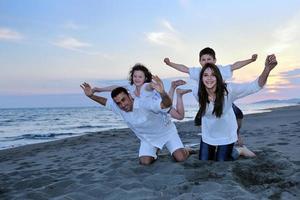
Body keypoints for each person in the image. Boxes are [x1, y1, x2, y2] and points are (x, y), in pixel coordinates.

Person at [81, 75, 190, 165]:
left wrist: (162, 93)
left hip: (167, 132)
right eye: (118, 102)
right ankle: (155, 149)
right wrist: (91, 96)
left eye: (123, 100)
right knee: (145, 162)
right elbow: (104, 101)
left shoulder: (144, 102)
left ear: (129, 95)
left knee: (180, 158)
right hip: (148, 139)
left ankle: (188, 149)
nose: (122, 104)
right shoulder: (119, 107)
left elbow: (166, 104)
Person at [164, 47, 257, 146]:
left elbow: (235, 65)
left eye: (209, 59)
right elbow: (184, 68)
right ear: (200, 62)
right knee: (200, 121)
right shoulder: (198, 72)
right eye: (203, 60)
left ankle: (236, 133)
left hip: (223, 101)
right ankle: (210, 140)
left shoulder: (221, 70)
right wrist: (170, 63)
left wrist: (250, 60)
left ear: (215, 60)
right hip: (206, 103)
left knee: (238, 114)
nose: (206, 61)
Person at [197, 54, 277, 161]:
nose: (209, 78)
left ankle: (239, 150)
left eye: (213, 75)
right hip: (208, 135)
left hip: (226, 134)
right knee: (204, 162)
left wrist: (267, 69)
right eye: (205, 75)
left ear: (218, 77)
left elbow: (255, 86)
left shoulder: (229, 91)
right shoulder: (198, 93)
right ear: (201, 78)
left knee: (222, 162)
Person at [92, 63, 191, 120]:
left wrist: (155, 85)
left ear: (145, 78)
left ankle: (177, 92)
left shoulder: (146, 86)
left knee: (180, 117)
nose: (137, 79)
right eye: (135, 76)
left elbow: (150, 86)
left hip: (159, 104)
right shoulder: (130, 87)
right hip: (151, 112)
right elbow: (115, 87)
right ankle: (174, 88)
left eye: (140, 77)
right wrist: (99, 90)